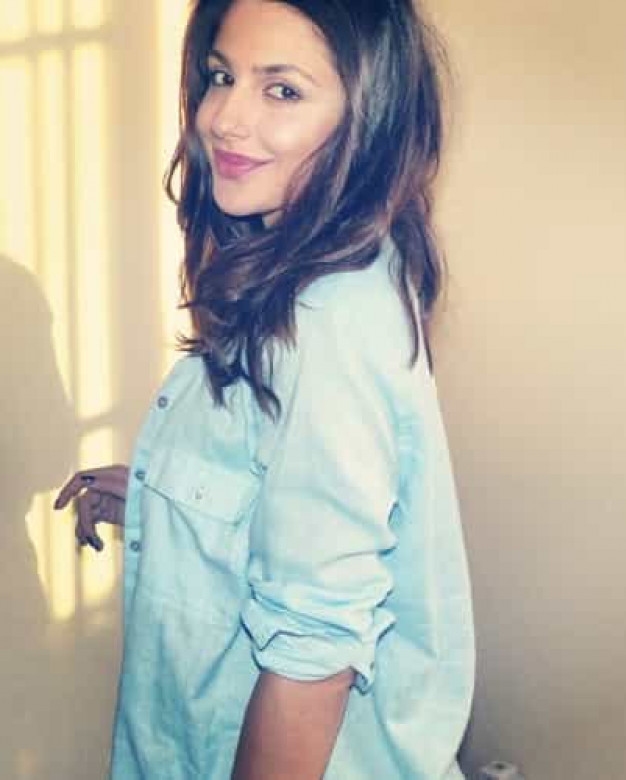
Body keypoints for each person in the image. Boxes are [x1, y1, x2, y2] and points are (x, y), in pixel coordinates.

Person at [54, 0, 475, 777]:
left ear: (369, 119)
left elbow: (312, 653)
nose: (225, 118)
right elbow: (291, 503)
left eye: (282, 90)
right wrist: (165, 500)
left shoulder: (326, 321)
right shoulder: (308, 271)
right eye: (222, 76)